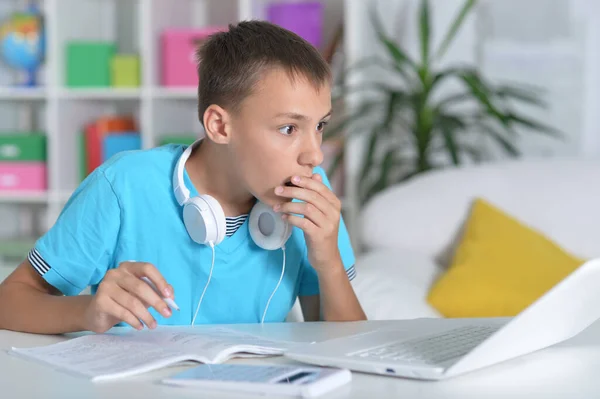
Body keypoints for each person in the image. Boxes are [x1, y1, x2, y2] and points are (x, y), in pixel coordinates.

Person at [0, 20, 366, 334]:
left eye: (319, 125)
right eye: (288, 128)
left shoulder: (309, 194)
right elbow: (9, 301)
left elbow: (347, 347)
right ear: (220, 125)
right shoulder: (123, 186)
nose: (314, 154)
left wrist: (328, 260)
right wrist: (86, 311)